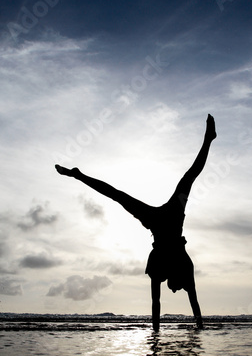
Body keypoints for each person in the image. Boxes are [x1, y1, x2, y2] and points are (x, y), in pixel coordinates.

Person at [55, 114, 217, 330]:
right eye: (176, 289)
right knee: (181, 179)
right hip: (168, 217)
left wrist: (157, 334)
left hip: (160, 221)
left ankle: (79, 175)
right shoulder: (183, 267)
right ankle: (208, 140)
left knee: (120, 196)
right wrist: (197, 326)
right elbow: (176, 305)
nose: (174, 291)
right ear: (176, 277)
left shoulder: (164, 265)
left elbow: (159, 305)